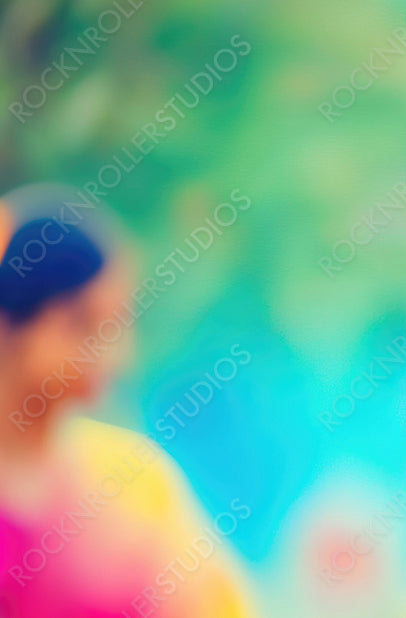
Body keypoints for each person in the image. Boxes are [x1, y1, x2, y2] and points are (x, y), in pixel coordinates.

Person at [0, 184, 256, 617]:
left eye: (117, 324)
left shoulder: (133, 479)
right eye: (83, 324)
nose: (113, 354)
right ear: (11, 322)